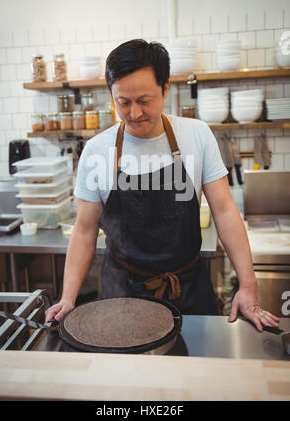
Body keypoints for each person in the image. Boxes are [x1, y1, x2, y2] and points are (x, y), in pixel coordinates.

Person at [46, 39, 279, 332]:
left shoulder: (196, 135)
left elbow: (224, 211)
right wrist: (68, 298)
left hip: (190, 291)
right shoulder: (97, 151)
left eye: (144, 101)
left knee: (194, 372)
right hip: (123, 295)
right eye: (123, 102)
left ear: (165, 89)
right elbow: (84, 230)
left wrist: (248, 284)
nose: (134, 113)